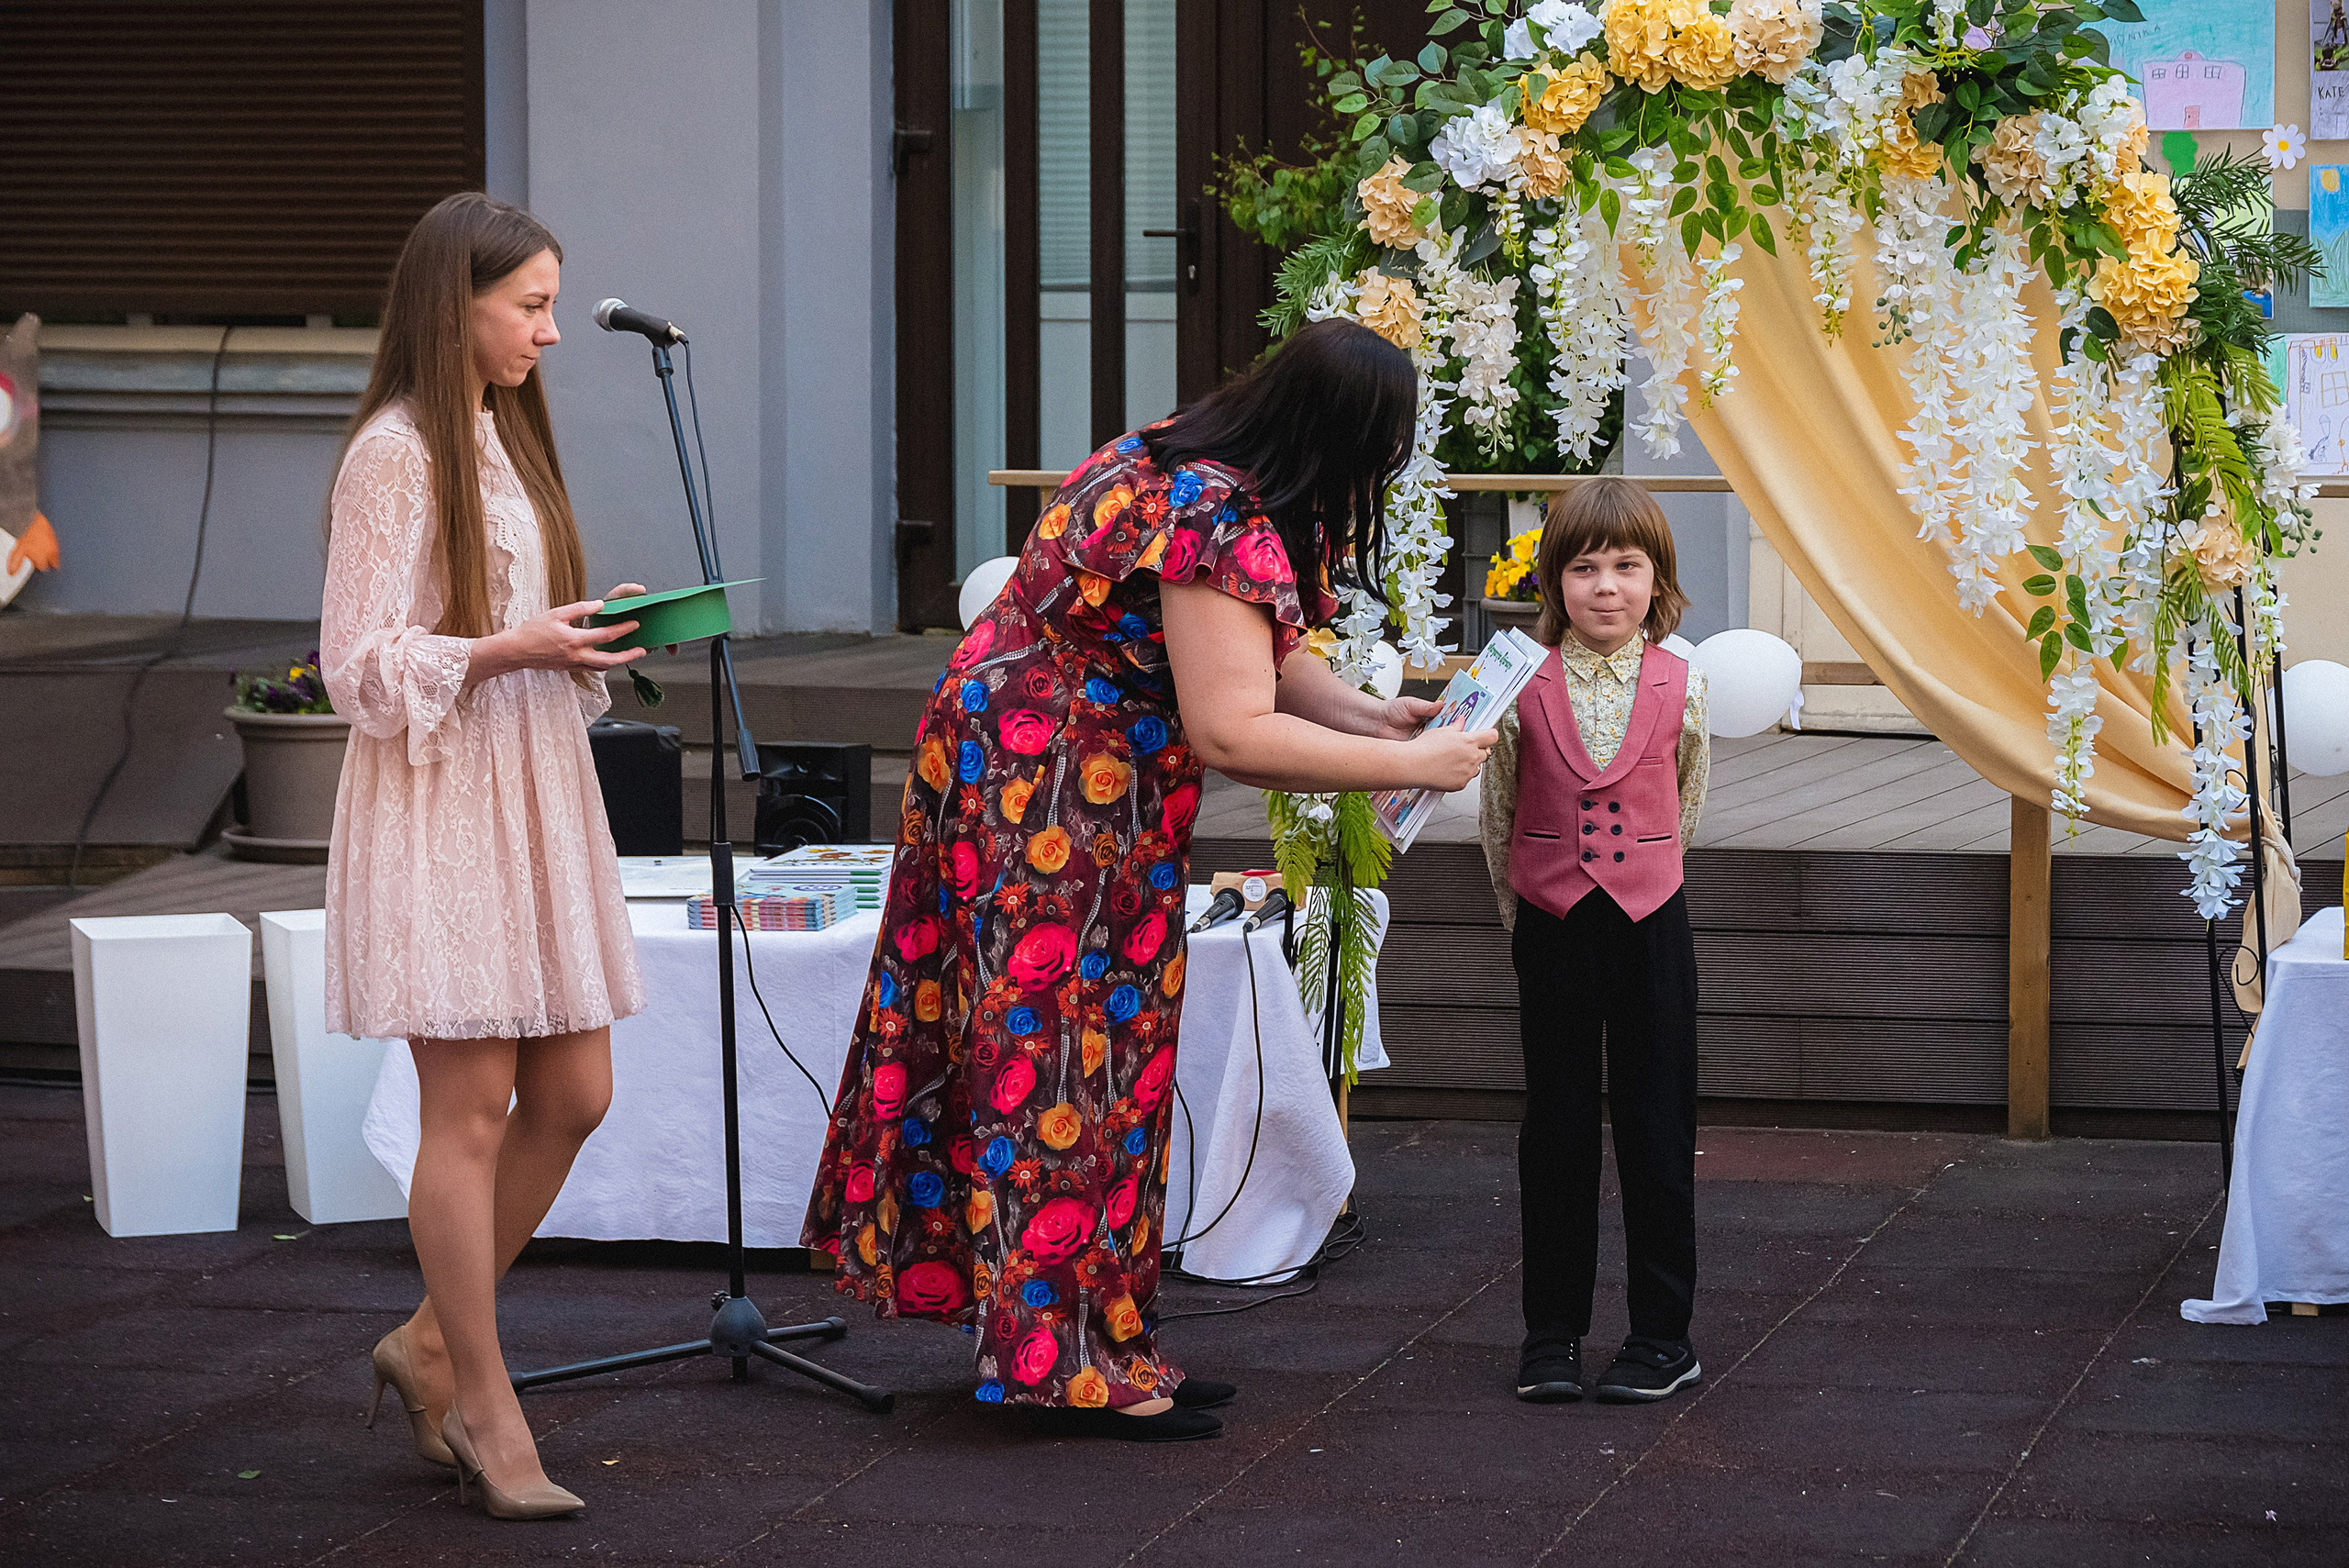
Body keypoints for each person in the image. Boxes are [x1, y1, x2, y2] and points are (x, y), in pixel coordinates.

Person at [801, 318, 1497, 1441]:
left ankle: (1107, 1334)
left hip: (1030, 773)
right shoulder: (1217, 515)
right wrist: (1406, 765)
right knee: (1060, 1062)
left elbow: (1251, 651)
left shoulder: (1163, 459)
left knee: (1102, 1052)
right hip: (1056, 794)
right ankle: (1059, 1358)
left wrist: (1375, 712)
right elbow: (1233, 725)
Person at [322, 192, 651, 1518]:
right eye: (530, 306)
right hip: (443, 803)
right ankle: (486, 1403)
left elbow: (493, 620)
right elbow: (356, 665)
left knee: (577, 1092)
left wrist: (568, 631)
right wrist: (506, 649)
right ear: (453, 304)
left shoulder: (491, 438)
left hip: (528, 790)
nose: (551, 333)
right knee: (466, 1111)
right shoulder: (394, 452)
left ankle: (430, 1343)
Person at [1477, 477, 1711, 1407]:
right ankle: (1551, 1332)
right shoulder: (1516, 678)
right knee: (1557, 1127)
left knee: (1659, 1125)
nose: (1604, 586)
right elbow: (1498, 812)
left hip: (1652, 924)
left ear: (1657, 579)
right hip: (1552, 922)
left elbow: (1687, 798)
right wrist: (1525, 913)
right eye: (1582, 567)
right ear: (1552, 579)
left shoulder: (1683, 680)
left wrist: (1649, 878)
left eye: (1625, 566)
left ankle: (1662, 1334)